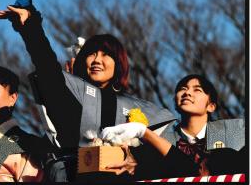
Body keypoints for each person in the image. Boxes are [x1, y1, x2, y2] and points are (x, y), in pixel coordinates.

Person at [0, 0, 176, 181]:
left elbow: (167, 155)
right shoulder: (69, 92)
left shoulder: (137, 107)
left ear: (119, 63)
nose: (97, 60)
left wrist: (137, 162)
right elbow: (46, 63)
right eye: (91, 54)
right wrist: (31, 25)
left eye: (106, 55)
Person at [102, 74, 246, 179]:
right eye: (182, 89)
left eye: (197, 90)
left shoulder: (237, 129)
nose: (187, 93)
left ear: (211, 106)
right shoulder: (158, 138)